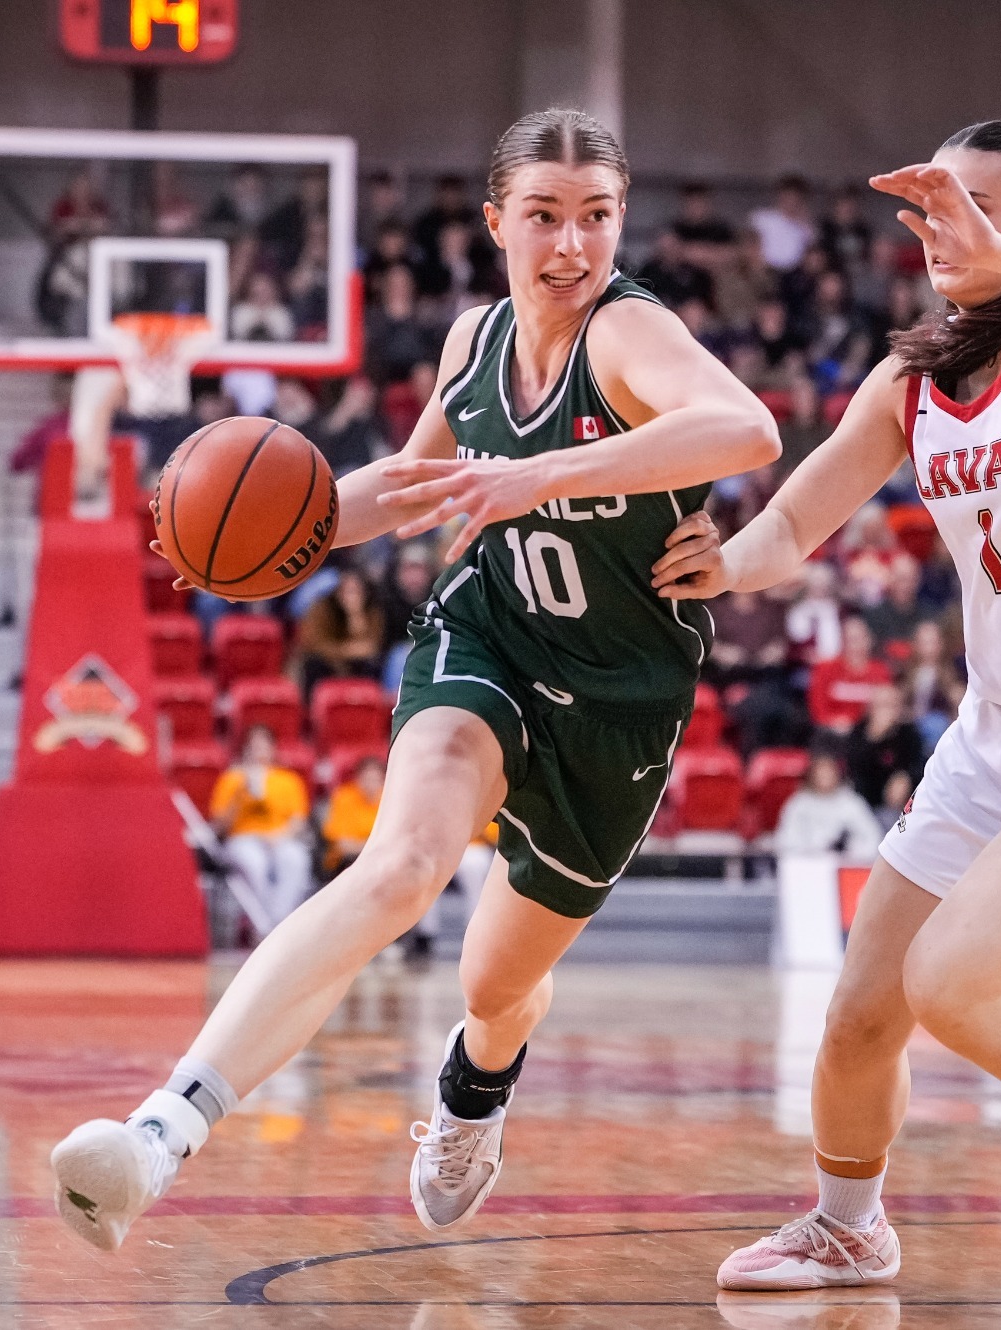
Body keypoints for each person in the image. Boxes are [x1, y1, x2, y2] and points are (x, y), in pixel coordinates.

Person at [49, 109, 780, 1253]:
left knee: (496, 988)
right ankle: (158, 1135)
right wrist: (259, 543)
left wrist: (538, 476)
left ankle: (472, 1094)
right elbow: (414, 486)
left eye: (596, 217)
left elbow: (744, 428)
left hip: (621, 700)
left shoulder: (630, 336)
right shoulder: (473, 341)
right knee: (396, 869)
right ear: (496, 221)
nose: (571, 245)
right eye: (542, 216)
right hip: (487, 634)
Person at [652, 121, 1001, 1301]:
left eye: (974, 205)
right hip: (997, 731)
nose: (938, 230)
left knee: (953, 979)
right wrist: (723, 563)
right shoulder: (910, 377)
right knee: (862, 1009)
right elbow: (796, 521)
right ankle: (845, 1228)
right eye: (930, 207)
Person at [210, 725, 313, 920]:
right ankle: (262, 924)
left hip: (280, 837)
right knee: (255, 864)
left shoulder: (288, 780)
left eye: (263, 745)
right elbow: (220, 827)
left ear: (273, 749)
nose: (259, 750)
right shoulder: (232, 778)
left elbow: (299, 820)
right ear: (246, 749)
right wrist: (240, 794)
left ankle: (280, 922)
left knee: (295, 859)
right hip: (242, 839)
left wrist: (279, 836)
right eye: (254, 745)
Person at [773, 750, 882, 858]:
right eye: (820, 771)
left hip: (844, 866)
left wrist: (848, 850)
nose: (825, 776)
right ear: (811, 774)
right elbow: (786, 841)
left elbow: (873, 838)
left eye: (829, 771)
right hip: (806, 865)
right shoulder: (798, 804)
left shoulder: (851, 803)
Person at [843, 681, 925, 809]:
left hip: (900, 801)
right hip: (865, 798)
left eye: (891, 705)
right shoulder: (859, 732)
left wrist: (905, 777)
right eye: (881, 705)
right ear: (870, 708)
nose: (886, 711)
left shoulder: (908, 732)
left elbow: (918, 764)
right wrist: (875, 736)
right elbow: (855, 767)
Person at [807, 615, 891, 734]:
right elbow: (818, 708)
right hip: (831, 730)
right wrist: (834, 721)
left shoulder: (880, 671)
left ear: (870, 640)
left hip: (868, 732)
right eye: (851, 639)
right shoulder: (825, 669)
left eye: (860, 638)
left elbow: (885, 706)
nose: (856, 644)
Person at [317, 752, 386, 877]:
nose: (370, 784)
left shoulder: (389, 800)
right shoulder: (343, 798)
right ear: (357, 779)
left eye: (375, 780)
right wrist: (376, 846)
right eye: (366, 779)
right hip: (346, 863)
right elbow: (342, 845)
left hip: (380, 859)